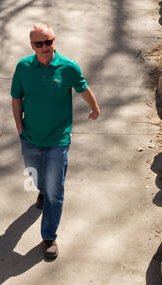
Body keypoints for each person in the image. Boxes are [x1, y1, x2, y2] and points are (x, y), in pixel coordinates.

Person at [10, 22, 100, 260]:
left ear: (53, 41)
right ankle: (41, 190)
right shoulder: (23, 67)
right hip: (30, 136)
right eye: (39, 44)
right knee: (34, 175)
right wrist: (19, 126)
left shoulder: (68, 67)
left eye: (48, 42)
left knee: (55, 190)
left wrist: (95, 108)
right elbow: (16, 98)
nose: (45, 47)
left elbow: (83, 88)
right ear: (32, 45)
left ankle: (49, 237)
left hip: (59, 138)